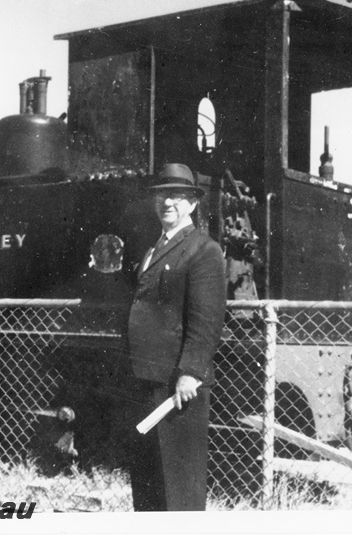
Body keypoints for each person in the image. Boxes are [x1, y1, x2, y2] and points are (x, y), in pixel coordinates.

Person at [125, 163, 226, 511]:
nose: (166, 201)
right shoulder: (152, 249)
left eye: (176, 195)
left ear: (192, 204)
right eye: (160, 195)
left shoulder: (203, 249)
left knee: (178, 485)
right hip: (146, 379)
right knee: (148, 481)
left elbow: (206, 320)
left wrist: (190, 372)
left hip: (176, 387)